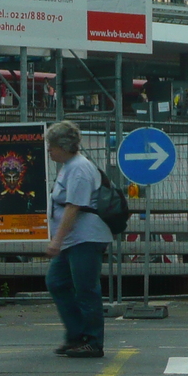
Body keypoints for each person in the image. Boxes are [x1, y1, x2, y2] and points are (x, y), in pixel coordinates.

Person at [43, 120, 112, 359]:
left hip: (85, 238)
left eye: (51, 146)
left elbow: (74, 207)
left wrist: (56, 241)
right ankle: (76, 335)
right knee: (57, 282)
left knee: (86, 289)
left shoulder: (79, 168)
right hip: (74, 239)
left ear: (62, 145)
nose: (48, 150)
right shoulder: (69, 166)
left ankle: (92, 341)